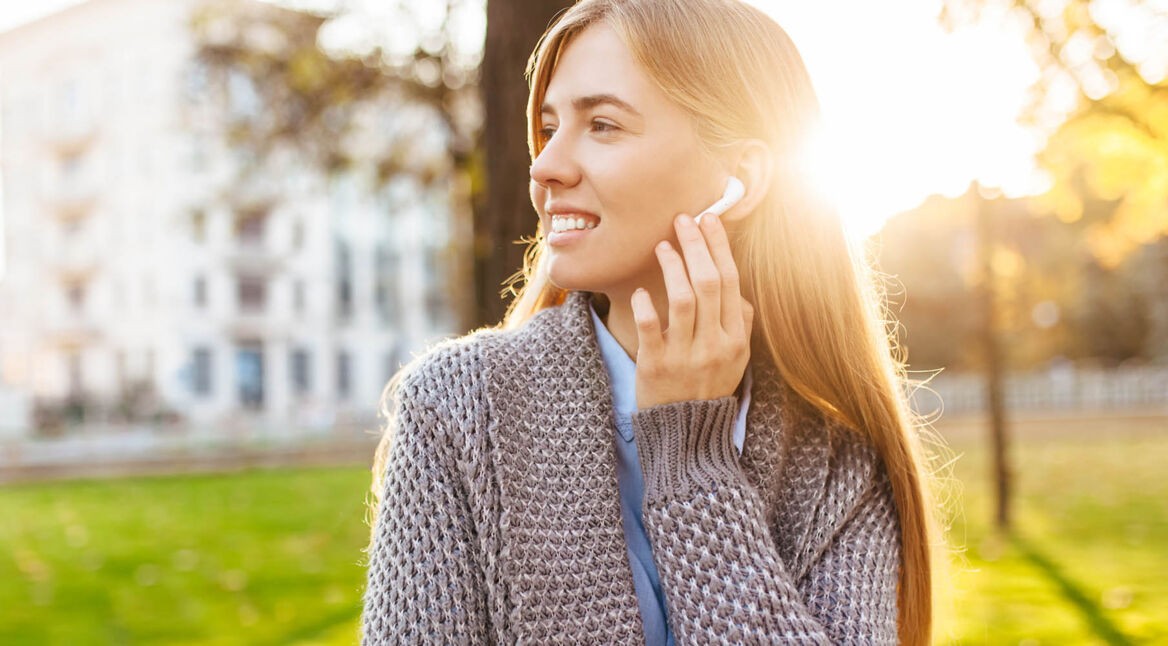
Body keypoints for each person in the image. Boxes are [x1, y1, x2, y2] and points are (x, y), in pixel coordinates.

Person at [363, 0, 944, 644]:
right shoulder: (454, 408)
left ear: (740, 178)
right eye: (549, 128)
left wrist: (690, 463)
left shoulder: (838, 460)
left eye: (603, 125)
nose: (544, 165)